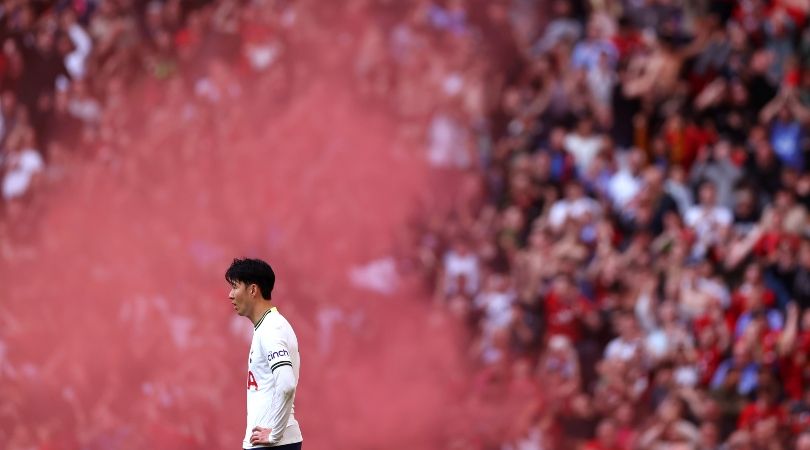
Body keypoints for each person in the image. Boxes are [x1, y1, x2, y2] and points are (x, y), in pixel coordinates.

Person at [226, 258, 303, 449]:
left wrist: (275, 434)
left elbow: (286, 384)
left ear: (253, 290)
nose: (230, 295)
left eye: (235, 287)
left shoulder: (271, 328)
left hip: (272, 445)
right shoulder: (268, 326)